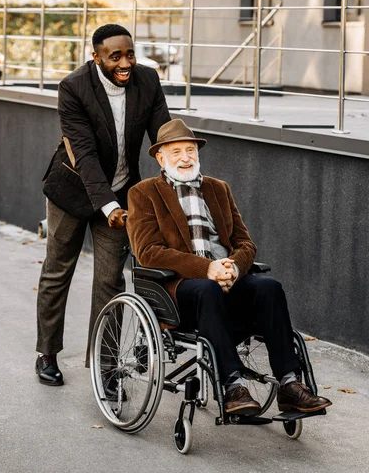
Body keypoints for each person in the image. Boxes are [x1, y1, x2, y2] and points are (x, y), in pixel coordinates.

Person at [127, 119, 332, 416]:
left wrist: (233, 268)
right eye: (176, 152)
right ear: (161, 158)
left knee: (269, 287)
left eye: (190, 150)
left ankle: (289, 384)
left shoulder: (218, 189)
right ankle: (233, 384)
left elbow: (245, 242)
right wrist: (207, 269)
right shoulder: (144, 193)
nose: (185, 158)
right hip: (181, 286)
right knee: (208, 288)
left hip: (227, 278)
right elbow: (147, 251)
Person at [36, 24, 170, 386]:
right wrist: (108, 206)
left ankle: (105, 365)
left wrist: (179, 168)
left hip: (124, 188)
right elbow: (85, 154)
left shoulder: (148, 80)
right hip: (73, 191)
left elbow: (164, 135)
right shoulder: (73, 87)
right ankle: (47, 353)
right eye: (115, 57)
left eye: (130, 54)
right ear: (96, 57)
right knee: (57, 270)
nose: (125, 62)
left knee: (110, 279)